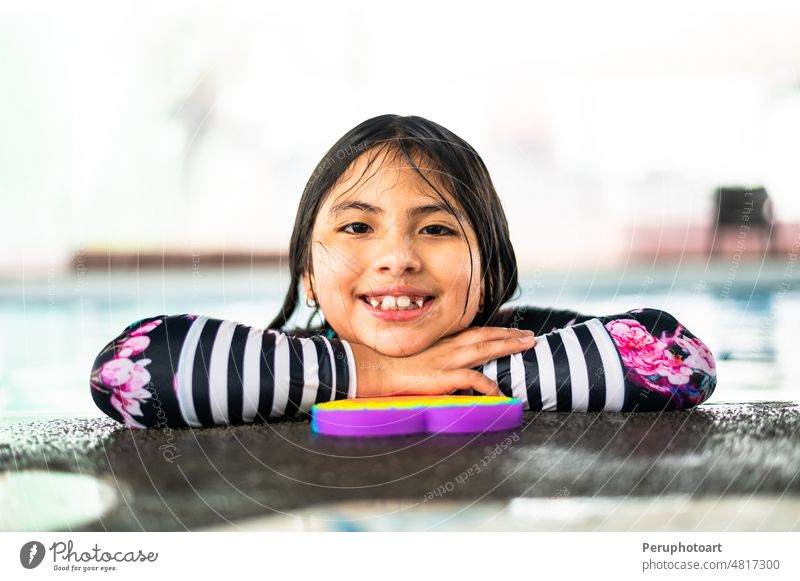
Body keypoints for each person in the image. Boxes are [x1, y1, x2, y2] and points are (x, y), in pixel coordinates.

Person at [89, 114, 717, 429]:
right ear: (309, 276)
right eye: (358, 228)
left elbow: (678, 361)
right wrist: (379, 373)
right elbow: (128, 371)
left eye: (437, 229)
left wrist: (473, 374)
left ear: (492, 269)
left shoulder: (525, 334)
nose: (398, 257)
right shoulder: (282, 356)